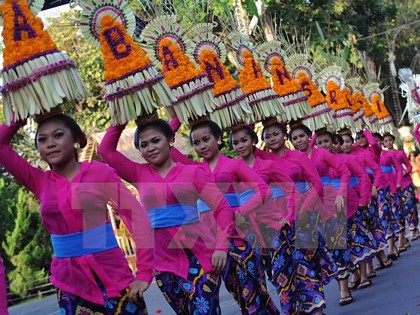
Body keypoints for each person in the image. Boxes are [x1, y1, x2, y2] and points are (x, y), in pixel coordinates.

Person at [0, 113, 153, 314]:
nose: (50, 143)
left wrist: (144, 272)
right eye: (42, 139)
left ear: (75, 139)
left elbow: (136, 217)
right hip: (69, 284)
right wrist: (21, 114)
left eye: (58, 135)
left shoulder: (99, 173)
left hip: (113, 276)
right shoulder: (39, 181)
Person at [98, 115, 234, 314]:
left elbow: (222, 208)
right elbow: (106, 151)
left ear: (170, 140)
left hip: (199, 257)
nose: (151, 147)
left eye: (156, 140)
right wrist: (121, 116)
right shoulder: (138, 174)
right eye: (144, 145)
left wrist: (221, 246)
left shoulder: (192, 173)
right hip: (162, 263)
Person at [169, 118, 280, 314]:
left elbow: (264, 190)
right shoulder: (192, 168)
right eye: (196, 143)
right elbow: (166, 141)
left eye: (206, 139)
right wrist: (177, 115)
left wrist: (240, 212)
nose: (202, 146)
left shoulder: (234, 165)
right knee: (237, 291)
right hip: (210, 241)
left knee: (254, 290)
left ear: (219, 139)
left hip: (240, 235)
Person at [255, 121, 336, 315]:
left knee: (306, 262)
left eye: (276, 134)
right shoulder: (263, 160)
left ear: (284, 135)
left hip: (302, 215)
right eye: (267, 136)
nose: (272, 138)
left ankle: (316, 306)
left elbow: (317, 185)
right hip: (276, 221)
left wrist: (304, 209)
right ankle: (300, 308)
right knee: (284, 268)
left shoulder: (299, 157)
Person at [230, 125, 298, 314]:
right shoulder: (233, 169)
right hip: (248, 233)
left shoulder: (268, 165)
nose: (240, 145)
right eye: (235, 143)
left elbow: (290, 189)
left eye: (244, 140)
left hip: (273, 226)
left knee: (282, 277)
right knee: (257, 283)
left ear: (253, 141)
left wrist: (288, 216)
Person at [383, 133, 419, 243]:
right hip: (393, 185)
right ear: (383, 143)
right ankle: (402, 236)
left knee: (410, 206)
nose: (388, 142)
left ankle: (413, 229)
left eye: (390, 140)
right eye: (385, 141)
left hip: (405, 183)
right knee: (398, 210)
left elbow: (408, 165)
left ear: (393, 141)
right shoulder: (383, 155)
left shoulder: (400, 153)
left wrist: (405, 171)